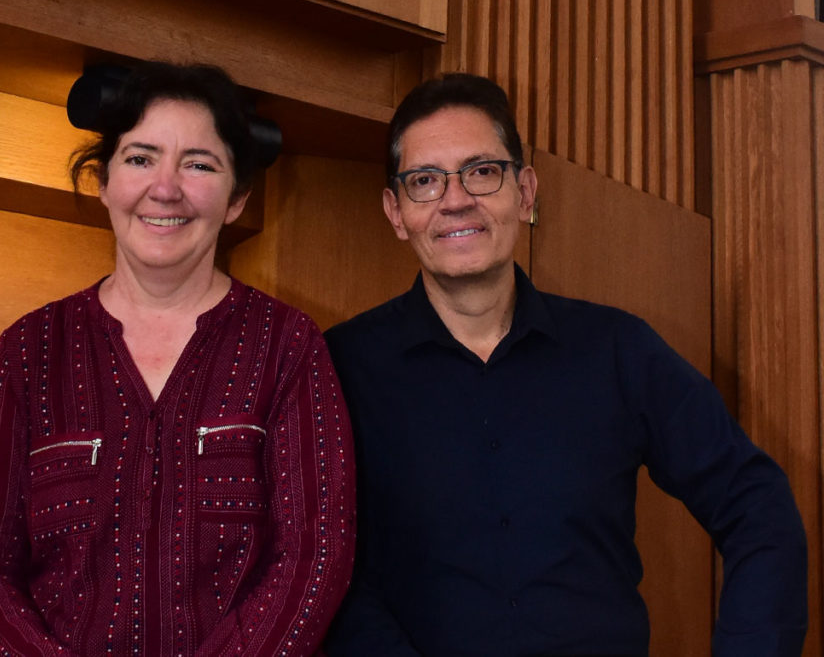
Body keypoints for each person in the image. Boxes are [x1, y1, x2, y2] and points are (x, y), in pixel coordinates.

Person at [323, 73, 807, 656]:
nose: (455, 200)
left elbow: (756, 504)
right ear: (396, 211)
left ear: (525, 192)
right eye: (424, 181)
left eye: (482, 171)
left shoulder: (617, 350)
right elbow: (318, 567)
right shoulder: (336, 368)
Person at [0, 62, 355, 656]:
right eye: (140, 157)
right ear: (105, 182)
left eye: (199, 163)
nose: (165, 187)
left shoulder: (288, 345)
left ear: (236, 199)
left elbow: (314, 556)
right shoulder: (28, 350)